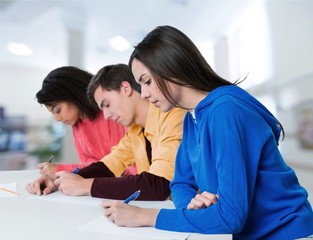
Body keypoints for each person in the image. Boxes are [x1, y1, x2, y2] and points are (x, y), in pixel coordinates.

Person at [101, 25, 313, 239]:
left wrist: (146, 217)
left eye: (147, 82)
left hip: (285, 233)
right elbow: (180, 183)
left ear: (172, 67)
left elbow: (231, 217)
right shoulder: (191, 119)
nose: (144, 94)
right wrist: (192, 205)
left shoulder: (225, 111)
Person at [26, 63, 186, 200]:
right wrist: (62, 179)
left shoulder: (172, 115)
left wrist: (85, 185)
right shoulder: (135, 131)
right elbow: (108, 165)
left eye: (107, 104)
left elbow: (160, 185)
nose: (106, 115)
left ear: (125, 88)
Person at [31, 66, 127, 178]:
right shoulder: (78, 124)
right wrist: (54, 178)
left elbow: (121, 167)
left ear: (72, 95)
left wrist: (60, 170)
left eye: (58, 110)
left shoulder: (112, 115)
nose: (58, 119)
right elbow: (88, 167)